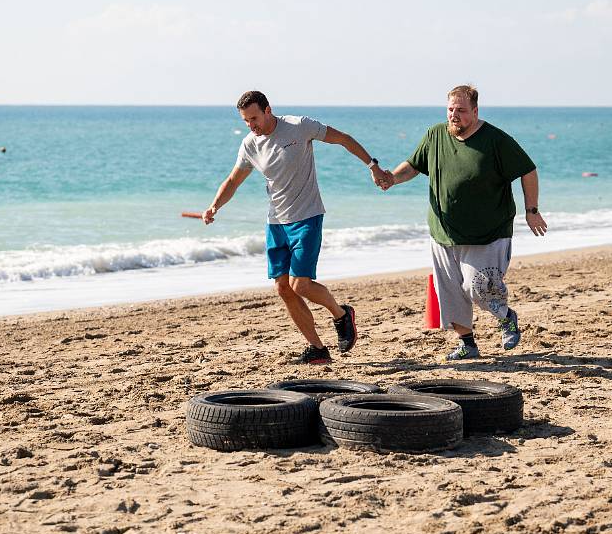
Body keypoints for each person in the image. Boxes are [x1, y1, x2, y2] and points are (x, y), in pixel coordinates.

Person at [204, 90, 387, 364]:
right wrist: (215, 206)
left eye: (254, 118)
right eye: (245, 121)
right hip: (276, 223)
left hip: (307, 216)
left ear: (268, 110)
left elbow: (344, 139)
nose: (251, 125)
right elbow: (233, 180)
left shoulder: (299, 126)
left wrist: (372, 165)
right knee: (283, 288)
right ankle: (317, 349)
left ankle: (341, 314)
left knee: (300, 284)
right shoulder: (250, 145)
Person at [377, 85, 547, 360]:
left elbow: (528, 170)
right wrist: (392, 178)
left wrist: (532, 210)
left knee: (478, 286)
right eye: (450, 110)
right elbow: (414, 165)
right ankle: (467, 344)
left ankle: (506, 317)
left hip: (488, 233)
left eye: (461, 110)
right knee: (450, 293)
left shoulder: (496, 140)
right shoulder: (435, 135)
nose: (454, 116)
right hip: (443, 232)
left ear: (475, 111)